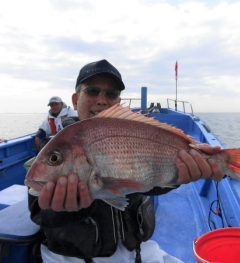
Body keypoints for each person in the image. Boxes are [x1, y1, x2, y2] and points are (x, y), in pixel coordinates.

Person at [28, 59, 225, 263]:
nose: (102, 100)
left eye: (111, 94)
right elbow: (38, 211)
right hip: (71, 256)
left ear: (118, 102)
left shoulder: (127, 132)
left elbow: (146, 183)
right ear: (76, 100)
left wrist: (179, 176)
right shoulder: (58, 145)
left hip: (136, 250)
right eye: (93, 91)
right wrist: (64, 209)